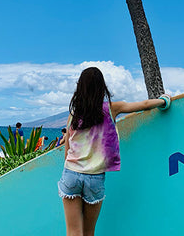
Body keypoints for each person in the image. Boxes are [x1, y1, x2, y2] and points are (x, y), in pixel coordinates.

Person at [57, 67, 171, 236]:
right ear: (101, 88)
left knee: (73, 232)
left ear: (80, 87)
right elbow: (144, 105)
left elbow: (67, 149)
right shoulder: (111, 109)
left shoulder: (74, 113)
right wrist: (164, 101)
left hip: (71, 174)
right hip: (95, 178)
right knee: (89, 232)